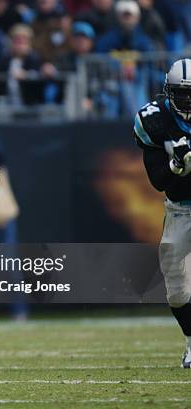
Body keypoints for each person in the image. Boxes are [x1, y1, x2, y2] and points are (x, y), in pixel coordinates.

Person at [133, 58, 191, 369]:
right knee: (177, 289)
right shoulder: (154, 120)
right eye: (182, 93)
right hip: (181, 207)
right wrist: (176, 166)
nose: (188, 100)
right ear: (168, 93)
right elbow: (158, 181)